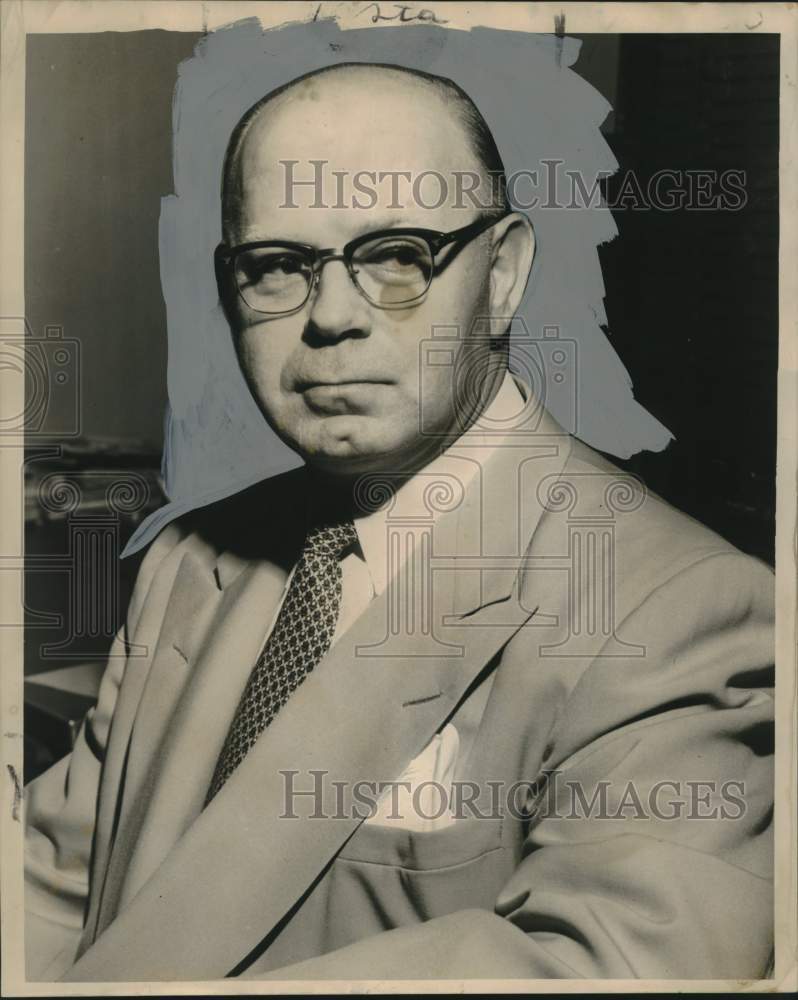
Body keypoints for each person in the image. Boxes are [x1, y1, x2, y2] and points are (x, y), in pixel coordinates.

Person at [25, 62, 774, 983]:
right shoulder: (190, 555)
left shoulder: (679, 607)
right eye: (277, 267)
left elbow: (613, 966)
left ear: (501, 277)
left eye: (396, 256)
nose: (331, 318)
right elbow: (60, 886)